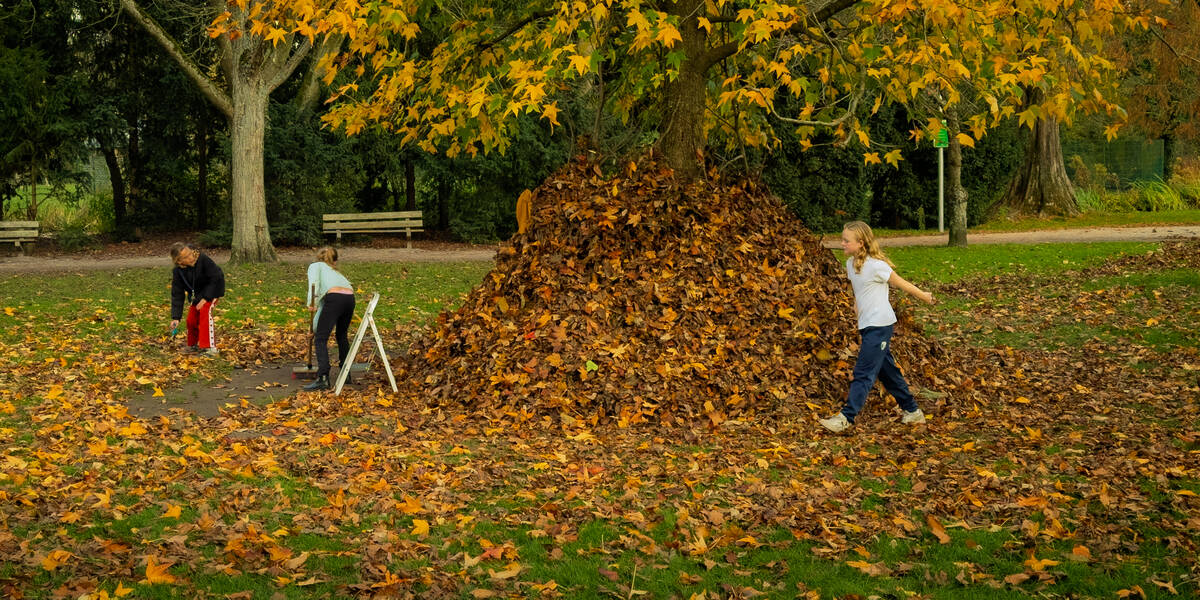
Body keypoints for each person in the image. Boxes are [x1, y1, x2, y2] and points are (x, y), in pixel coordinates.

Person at [819, 221, 935, 433]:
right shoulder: (850, 264)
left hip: (880, 324)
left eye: (846, 240)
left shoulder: (876, 266)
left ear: (860, 243)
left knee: (863, 372)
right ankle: (912, 411)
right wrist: (858, 317)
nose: (842, 243)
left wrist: (924, 296)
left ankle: (846, 418)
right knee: (887, 372)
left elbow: (901, 283)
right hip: (868, 325)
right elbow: (858, 293)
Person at [303, 246, 356, 391]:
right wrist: (314, 329)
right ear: (335, 261)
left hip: (334, 298)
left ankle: (323, 378)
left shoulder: (315, 266)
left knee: (320, 339)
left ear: (318, 258)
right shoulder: (336, 273)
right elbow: (323, 308)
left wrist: (310, 303)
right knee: (341, 335)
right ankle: (346, 374)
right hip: (350, 298)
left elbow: (313, 285)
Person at [169, 242, 226, 356]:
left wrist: (206, 298)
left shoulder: (202, 259)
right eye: (186, 257)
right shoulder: (178, 272)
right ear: (179, 261)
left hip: (213, 290)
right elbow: (177, 294)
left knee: (205, 312)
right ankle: (193, 344)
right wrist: (176, 317)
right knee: (191, 319)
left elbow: (216, 277)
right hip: (197, 295)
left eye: (190, 254)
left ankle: (210, 348)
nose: (191, 257)